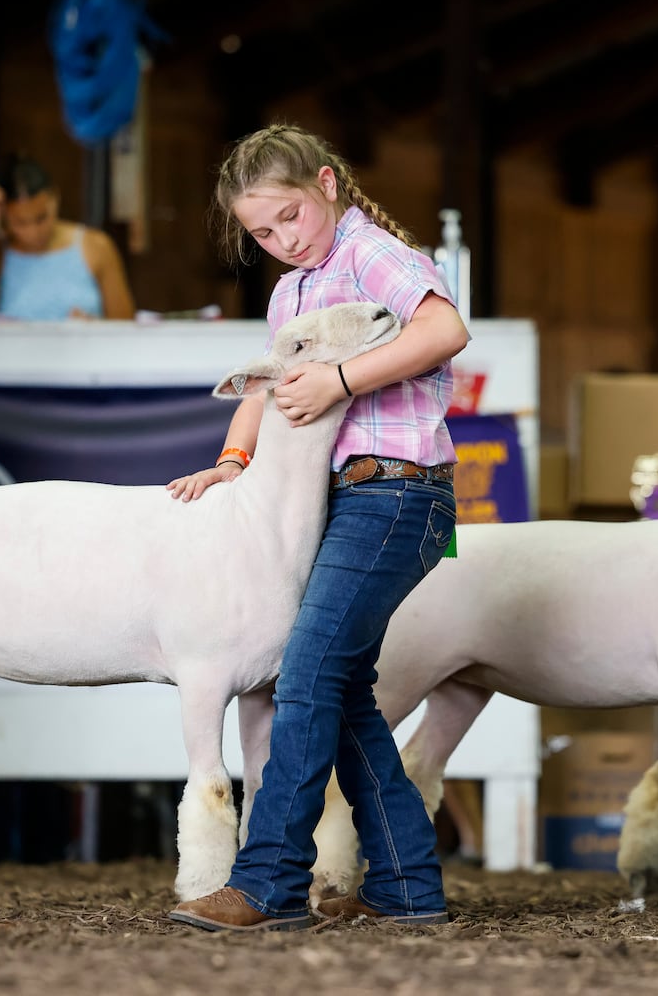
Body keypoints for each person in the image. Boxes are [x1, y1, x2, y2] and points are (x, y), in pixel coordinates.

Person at [164, 123, 469, 931]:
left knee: (303, 677)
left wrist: (339, 377)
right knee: (343, 692)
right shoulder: (290, 291)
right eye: (261, 232)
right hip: (343, 500)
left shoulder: (371, 255)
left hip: (400, 491)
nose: (281, 240)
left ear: (328, 185)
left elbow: (445, 331)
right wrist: (233, 461)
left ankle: (267, 883)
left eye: (290, 217)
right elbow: (266, 388)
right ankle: (408, 885)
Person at [0, 153, 135, 321]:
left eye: (41, 218)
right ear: (5, 215)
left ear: (54, 199)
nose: (33, 232)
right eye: (20, 223)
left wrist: (95, 328)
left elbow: (125, 326)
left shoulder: (96, 246)